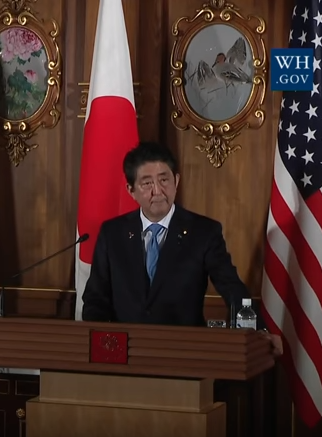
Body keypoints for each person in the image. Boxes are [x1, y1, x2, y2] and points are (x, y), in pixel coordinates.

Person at [81, 142, 282, 355]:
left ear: (176, 181)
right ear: (131, 190)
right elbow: (96, 298)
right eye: (147, 183)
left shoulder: (203, 232)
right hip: (123, 353)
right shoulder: (113, 233)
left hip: (185, 352)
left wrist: (258, 330)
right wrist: (102, 342)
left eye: (164, 180)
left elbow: (231, 286)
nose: (157, 191)